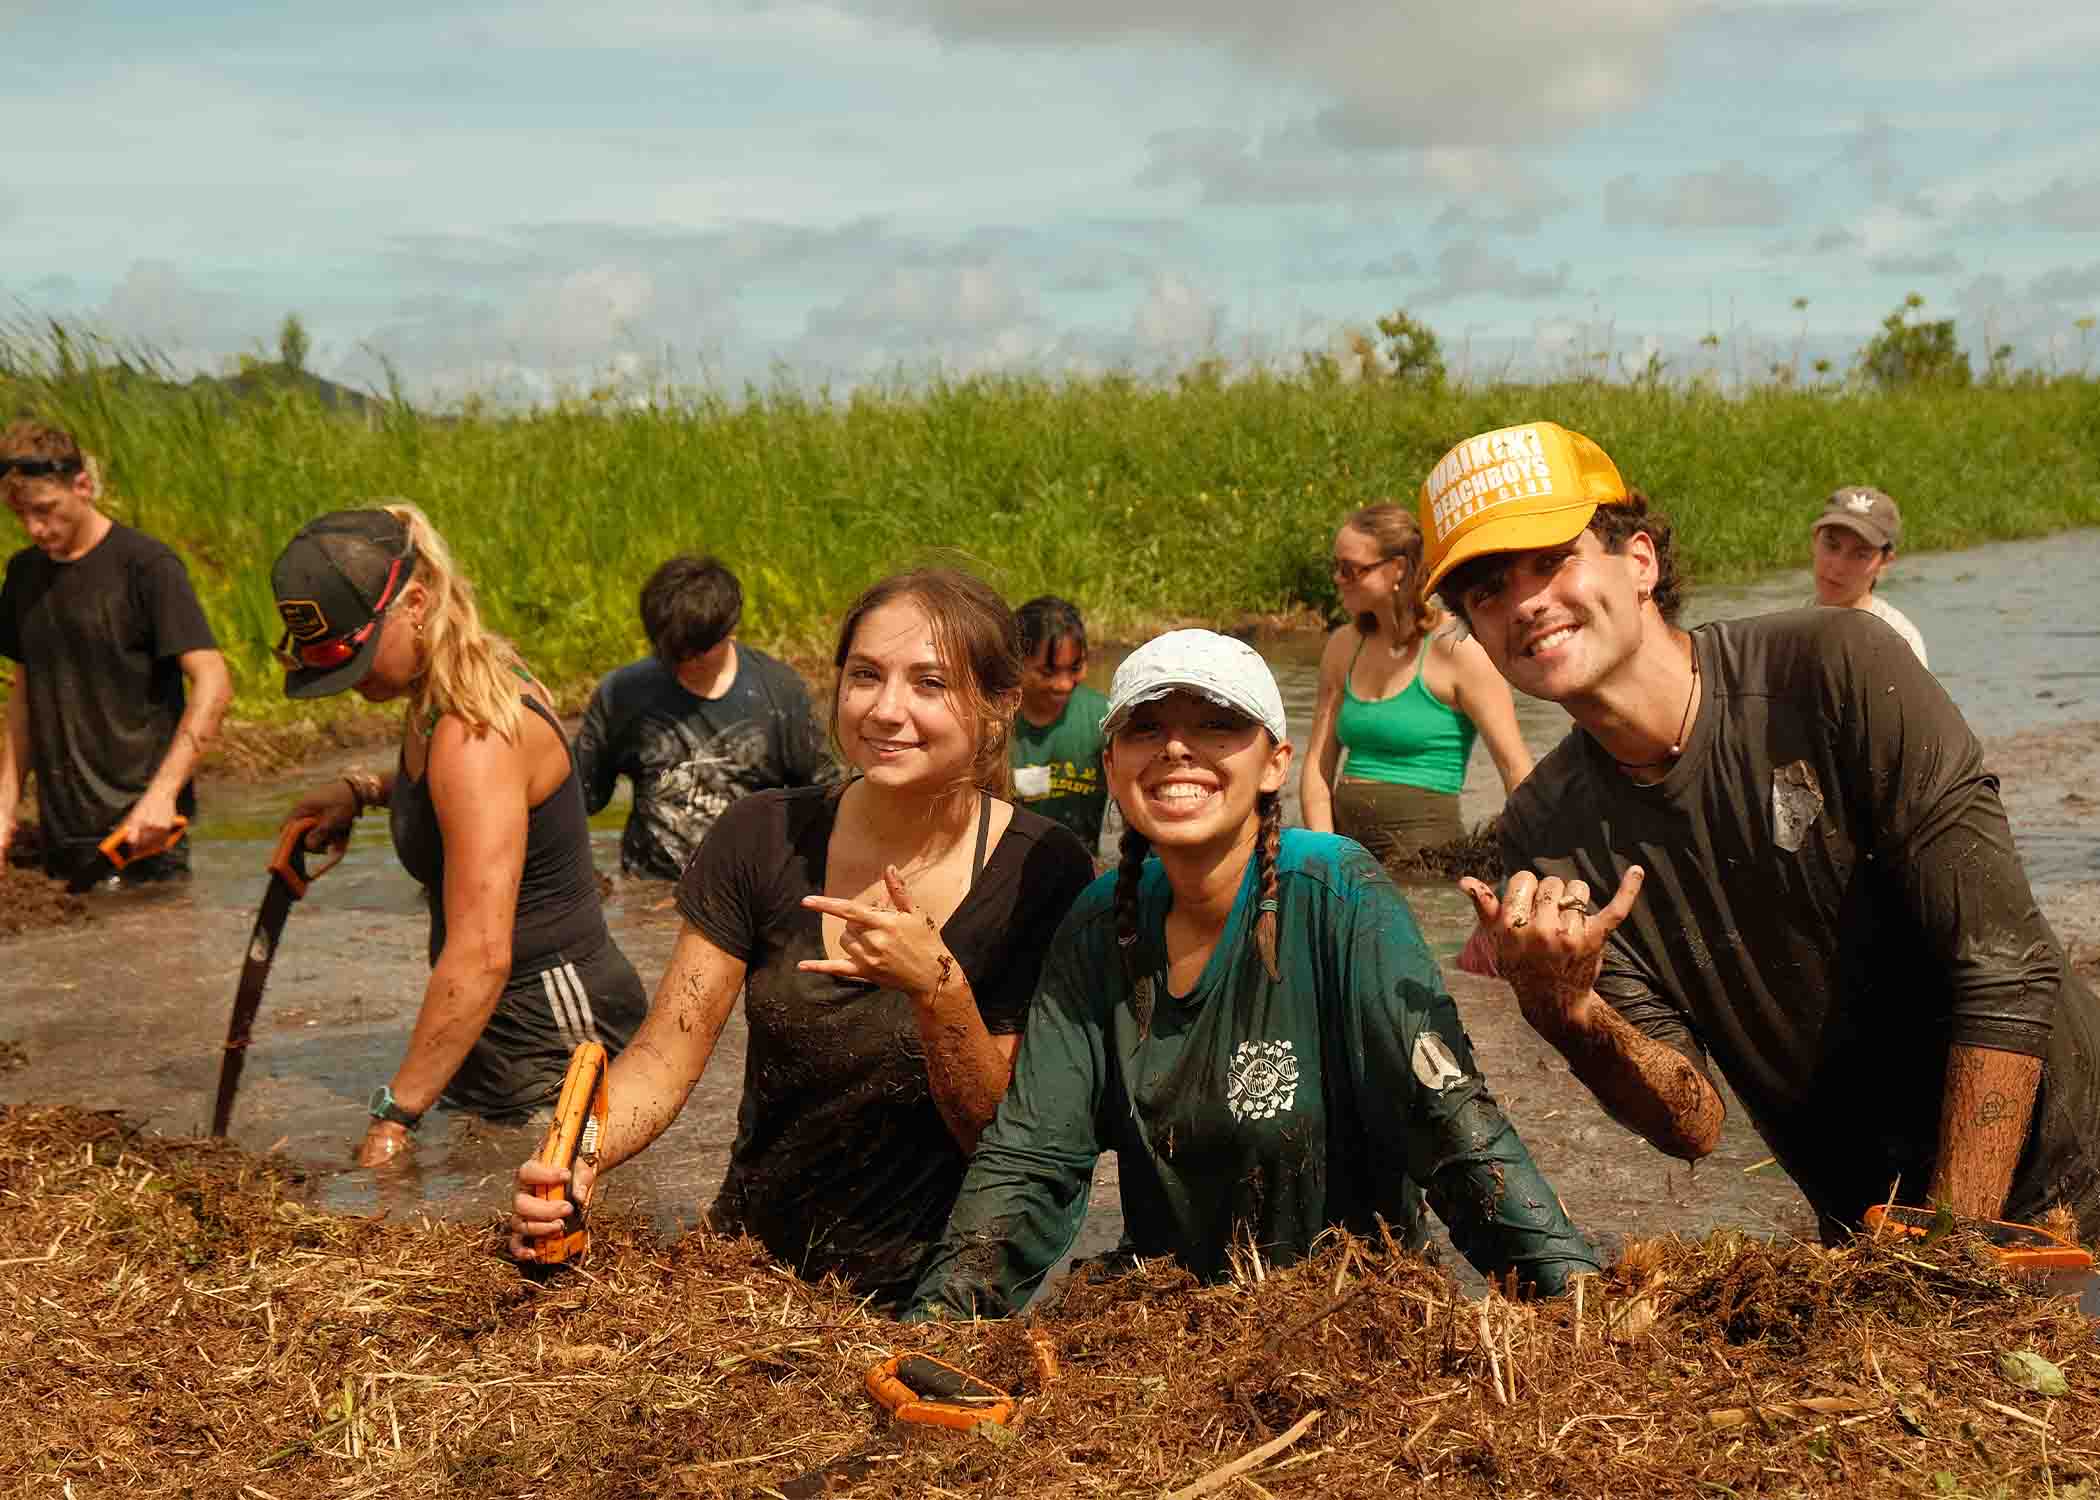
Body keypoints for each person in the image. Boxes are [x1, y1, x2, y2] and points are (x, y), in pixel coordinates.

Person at [1418, 419, 2100, 1243]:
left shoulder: (1839, 669)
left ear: (1640, 561)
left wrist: (1949, 1253)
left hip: (2070, 1185)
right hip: (1871, 1241)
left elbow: (2007, 969)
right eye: (1487, 590)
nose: (1525, 600)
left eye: (1551, 558)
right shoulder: (1543, 829)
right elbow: (1694, 1123)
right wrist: (1569, 1013)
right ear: (1478, 635)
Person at [910, 630, 1601, 1318]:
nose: (1178, 748)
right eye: (1146, 728)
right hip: (1163, 1318)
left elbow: (1450, 1117)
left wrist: (1574, 1297)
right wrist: (941, 1318)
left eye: (1217, 724)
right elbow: (1031, 1154)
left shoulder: (1341, 896)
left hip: (1349, 1312)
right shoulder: (1098, 925)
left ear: (1275, 763)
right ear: (1113, 767)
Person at [508, 570, 1095, 1313]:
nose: (887, 710)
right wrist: (577, 1158)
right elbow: (662, 1060)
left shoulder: (1043, 872)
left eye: (930, 684)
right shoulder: (762, 834)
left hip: (937, 1297)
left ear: (999, 704)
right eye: (865, 676)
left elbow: (1006, 1143)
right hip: (754, 1277)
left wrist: (938, 988)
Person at [272, 506, 647, 1167]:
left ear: (415, 603)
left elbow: (480, 954)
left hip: (556, 1029)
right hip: (493, 1020)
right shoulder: (439, 688)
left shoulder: (473, 728)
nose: (352, 683)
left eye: (357, 659)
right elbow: (464, 795)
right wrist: (363, 791)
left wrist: (394, 1117)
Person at [0, 421, 230, 886]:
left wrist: (164, 794)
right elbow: (24, 700)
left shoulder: (147, 567)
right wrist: (3, 806)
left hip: (143, 839)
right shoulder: (22, 575)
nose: (35, 528)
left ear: (82, 486)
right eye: (20, 515)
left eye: (45, 510)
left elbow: (214, 682)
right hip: (61, 837)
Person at [573, 554, 839, 881]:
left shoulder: (780, 695)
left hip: (745, 889)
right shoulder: (621, 695)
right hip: (649, 888)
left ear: (730, 630)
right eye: (672, 652)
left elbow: (825, 804)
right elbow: (577, 799)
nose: (685, 663)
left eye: (698, 653)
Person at [1301, 503, 1533, 866]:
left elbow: (1514, 767)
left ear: (1397, 569)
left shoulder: (1459, 651)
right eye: (1336, 567)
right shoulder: (1343, 646)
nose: (1337, 579)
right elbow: (1317, 769)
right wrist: (1324, 856)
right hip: (1348, 857)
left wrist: (1530, 863)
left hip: (1426, 864)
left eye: (1349, 570)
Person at [1009, 595, 1112, 852]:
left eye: (1075, 668)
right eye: (1047, 672)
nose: (1064, 684)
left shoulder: (1103, 718)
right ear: (1015, 662)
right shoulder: (991, 724)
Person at [1808, 485, 1928, 667]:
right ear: (1815, 541)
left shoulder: (1899, 641)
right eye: (1832, 546)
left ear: (1885, 562)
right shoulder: (1782, 629)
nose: (1839, 566)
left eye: (1860, 555)